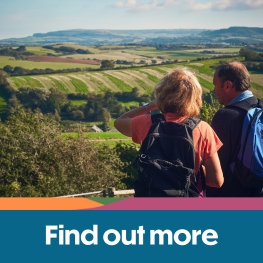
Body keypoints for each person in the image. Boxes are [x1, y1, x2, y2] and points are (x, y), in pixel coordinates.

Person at [114, 67, 224, 196]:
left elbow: (119, 122)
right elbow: (217, 181)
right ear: (195, 98)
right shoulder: (202, 129)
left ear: (162, 93)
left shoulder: (147, 123)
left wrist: (151, 105)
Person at [207, 61, 262, 197]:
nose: (214, 90)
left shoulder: (226, 116)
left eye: (215, 84)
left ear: (227, 85)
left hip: (231, 196)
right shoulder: (260, 107)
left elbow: (215, 169)